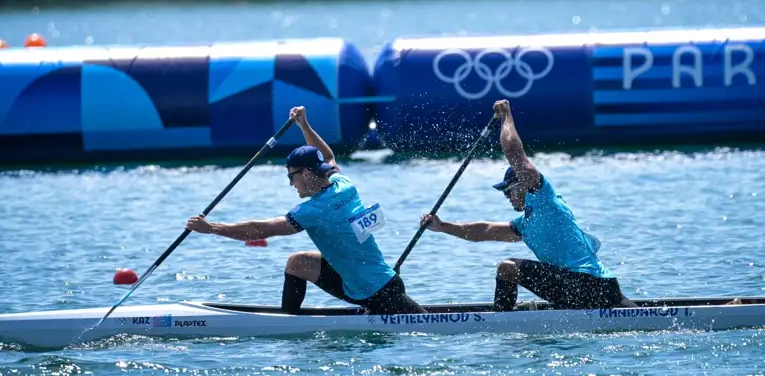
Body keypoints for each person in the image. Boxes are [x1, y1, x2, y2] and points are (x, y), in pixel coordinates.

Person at [186, 105, 426, 315]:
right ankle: (288, 321)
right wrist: (304, 125)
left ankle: (289, 326)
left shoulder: (313, 210)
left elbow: (260, 230)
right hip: (374, 280)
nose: (291, 183)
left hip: (376, 293)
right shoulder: (344, 185)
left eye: (292, 176)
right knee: (298, 263)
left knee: (424, 325)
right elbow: (328, 156)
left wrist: (211, 228)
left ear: (308, 174)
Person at [421, 99, 637, 312]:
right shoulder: (525, 224)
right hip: (598, 289)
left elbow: (514, 154)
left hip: (587, 284)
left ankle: (502, 321)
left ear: (523, 184)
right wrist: (442, 227)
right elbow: (483, 231)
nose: (507, 197)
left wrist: (506, 116)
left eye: (509, 190)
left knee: (507, 268)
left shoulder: (543, 198)